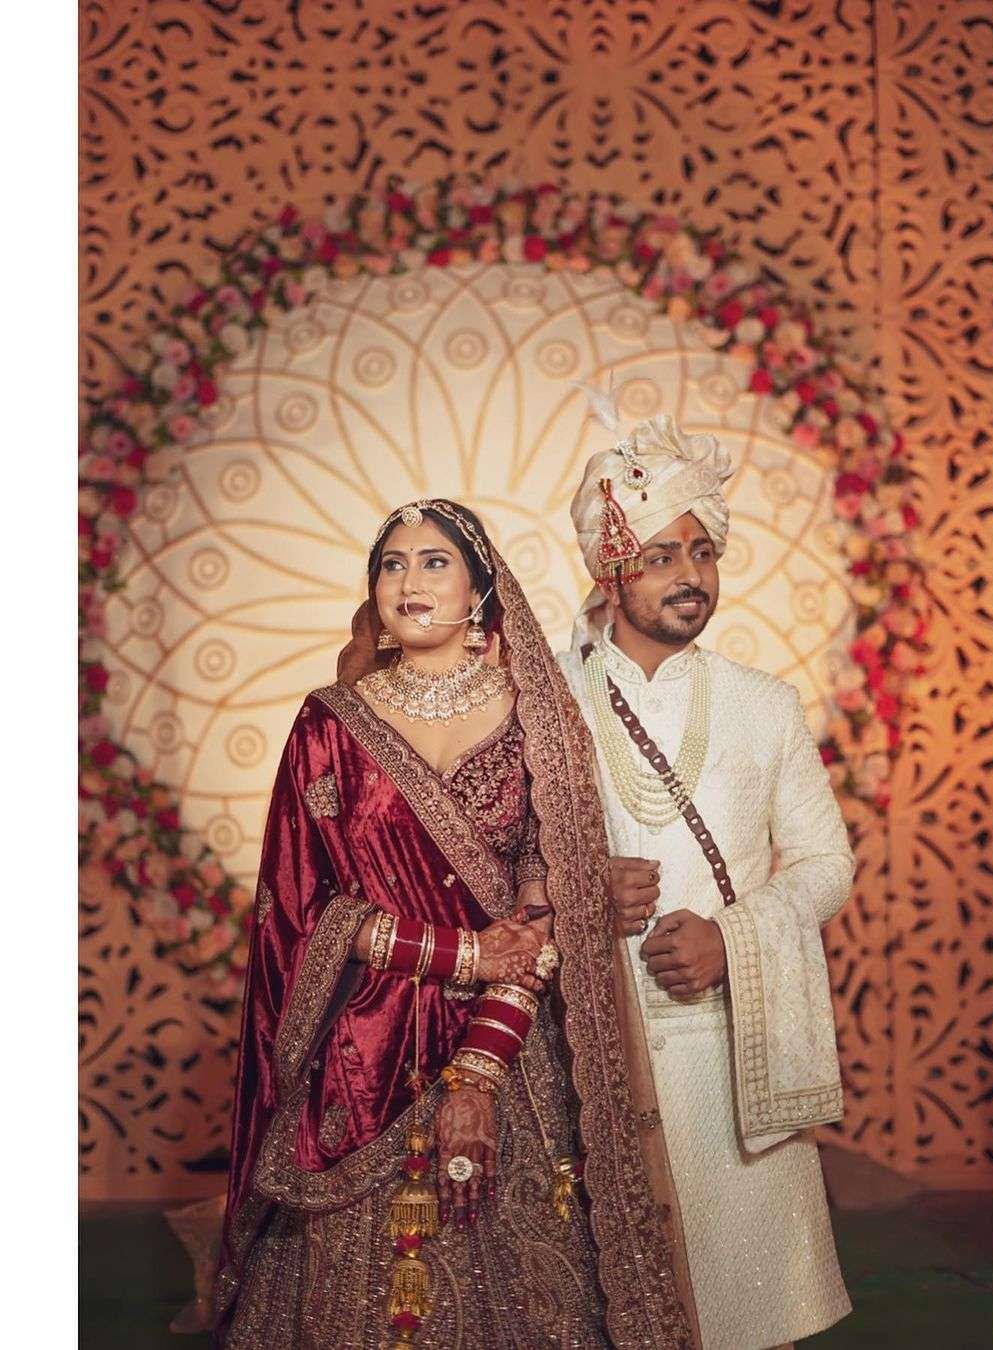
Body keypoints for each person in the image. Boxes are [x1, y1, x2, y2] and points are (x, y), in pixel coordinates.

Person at [213, 499, 697, 1348]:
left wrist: (476, 1074)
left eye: (435, 562)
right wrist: (464, 951)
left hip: (506, 1044)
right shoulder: (330, 722)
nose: (409, 580)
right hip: (361, 1049)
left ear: (480, 589)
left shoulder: (538, 723)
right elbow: (302, 908)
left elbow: (551, 914)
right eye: (391, 564)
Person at [557, 414, 854, 1350]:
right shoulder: (546, 701)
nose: (690, 575)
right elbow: (481, 863)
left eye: (702, 551)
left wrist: (732, 937)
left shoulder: (764, 705)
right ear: (611, 571)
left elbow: (826, 864)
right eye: (659, 556)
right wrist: (574, 887)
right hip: (587, 1051)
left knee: (746, 1319)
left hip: (730, 1048)